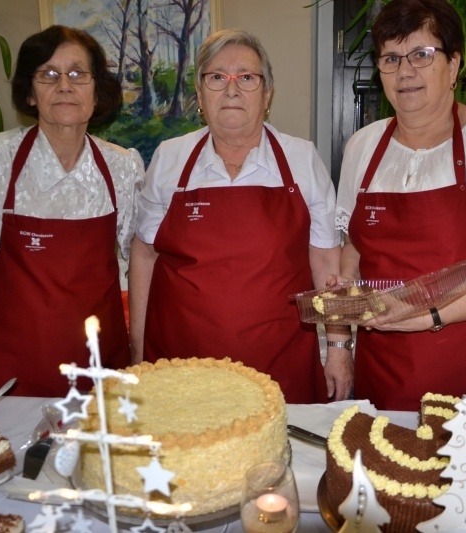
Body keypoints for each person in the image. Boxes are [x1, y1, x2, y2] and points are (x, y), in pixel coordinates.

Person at [335, 0, 466, 410]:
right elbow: (356, 246)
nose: (404, 71)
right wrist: (347, 286)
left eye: (422, 54)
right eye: (391, 58)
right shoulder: (362, 147)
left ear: (453, 65)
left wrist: (428, 315)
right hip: (387, 366)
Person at [129, 29, 350, 403]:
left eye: (246, 77)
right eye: (217, 77)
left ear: (267, 94)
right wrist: (137, 348)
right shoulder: (169, 158)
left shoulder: (301, 158)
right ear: (200, 94)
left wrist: (339, 347)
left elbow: (327, 260)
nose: (231, 89)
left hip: (280, 362)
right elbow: (145, 254)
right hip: (182, 366)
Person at [0, 26, 144, 396]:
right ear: (29, 92)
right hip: (16, 372)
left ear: (97, 91)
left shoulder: (122, 166)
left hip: (103, 368)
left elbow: (140, 263)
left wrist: (139, 348)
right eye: (49, 74)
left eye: (78, 73)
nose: (64, 86)